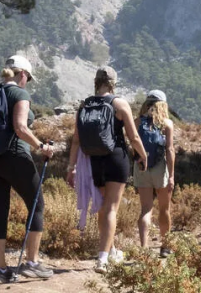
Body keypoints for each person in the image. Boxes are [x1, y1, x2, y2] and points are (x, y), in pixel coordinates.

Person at [0, 56, 54, 284]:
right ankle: (31, 263)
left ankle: (0, 270)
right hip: (14, 156)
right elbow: (20, 127)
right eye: (28, 78)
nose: (27, 82)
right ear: (23, 74)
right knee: (36, 205)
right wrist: (41, 146)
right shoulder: (19, 94)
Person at [66, 66, 149, 273]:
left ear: (96, 81)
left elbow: (76, 139)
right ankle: (102, 259)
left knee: (103, 206)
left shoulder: (85, 104)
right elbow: (133, 137)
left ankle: (110, 250)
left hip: (94, 160)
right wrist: (143, 155)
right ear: (113, 83)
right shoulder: (119, 103)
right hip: (116, 158)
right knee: (111, 208)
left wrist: (71, 167)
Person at [134, 90, 175, 258]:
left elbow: (133, 144)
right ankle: (165, 247)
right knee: (164, 209)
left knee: (146, 209)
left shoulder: (137, 122)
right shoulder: (167, 123)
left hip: (141, 166)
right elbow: (170, 150)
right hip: (160, 168)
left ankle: (144, 248)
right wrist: (171, 175)